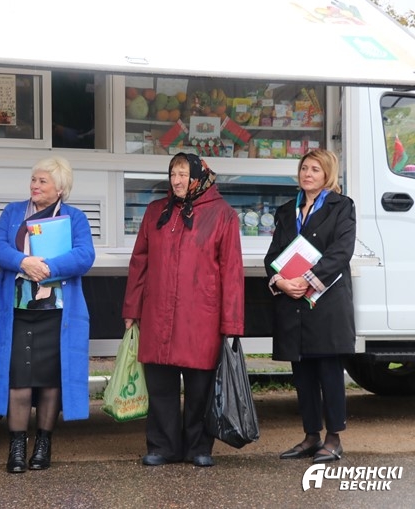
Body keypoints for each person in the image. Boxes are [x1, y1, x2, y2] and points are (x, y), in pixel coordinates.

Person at [122, 152, 244, 468]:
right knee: (160, 385)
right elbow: (139, 263)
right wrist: (131, 309)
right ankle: (162, 446)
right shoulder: (155, 212)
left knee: (200, 388)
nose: (176, 181)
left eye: (183, 174)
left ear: (198, 177)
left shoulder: (223, 215)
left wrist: (232, 324)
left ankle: (199, 447)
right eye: (172, 174)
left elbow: (232, 272)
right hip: (157, 313)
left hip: (201, 317)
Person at [0, 156, 95, 473]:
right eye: (34, 179)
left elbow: (85, 255)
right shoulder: (13, 212)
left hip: (57, 315)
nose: (35, 185)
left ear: (60, 188)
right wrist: (23, 262)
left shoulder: (75, 218)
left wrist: (48, 268)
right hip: (18, 312)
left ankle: (43, 445)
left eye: (43, 181)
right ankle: (17, 447)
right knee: (18, 380)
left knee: (50, 382)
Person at [264, 148, 356, 464]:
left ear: (327, 173)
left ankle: (334, 439)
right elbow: (272, 255)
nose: (308, 174)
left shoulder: (341, 206)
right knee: (302, 373)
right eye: (304, 168)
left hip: (326, 301)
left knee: (329, 371)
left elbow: (341, 252)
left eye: (315, 169)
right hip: (293, 303)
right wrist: (280, 281)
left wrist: (307, 280)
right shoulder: (286, 210)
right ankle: (311, 436)